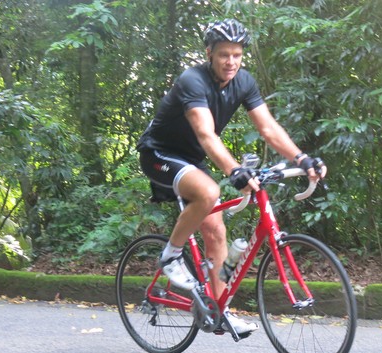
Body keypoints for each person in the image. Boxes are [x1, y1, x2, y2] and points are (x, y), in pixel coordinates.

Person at [136, 19, 326, 335]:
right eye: (224, 54)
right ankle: (170, 256)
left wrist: (302, 158)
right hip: (159, 154)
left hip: (193, 160)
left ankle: (218, 308)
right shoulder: (192, 81)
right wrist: (234, 169)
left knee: (215, 229)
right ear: (209, 53)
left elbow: (268, 129)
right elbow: (206, 134)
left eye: (237, 55)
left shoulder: (244, 82)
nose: (231, 62)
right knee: (209, 193)